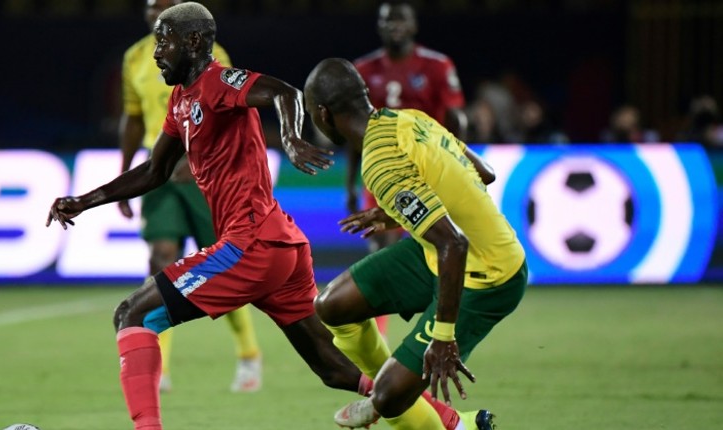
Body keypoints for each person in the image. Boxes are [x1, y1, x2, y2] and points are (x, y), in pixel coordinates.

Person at [46, 4, 379, 429]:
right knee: (334, 370)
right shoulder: (180, 101)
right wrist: (84, 200)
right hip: (277, 245)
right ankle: (448, 420)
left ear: (194, 41)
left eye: (165, 41)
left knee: (133, 314)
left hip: (252, 241)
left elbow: (285, 93)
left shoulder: (218, 80)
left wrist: (292, 138)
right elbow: (155, 170)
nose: (156, 51)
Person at [304, 58, 528, 430]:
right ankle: (393, 383)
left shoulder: (379, 162)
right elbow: (483, 174)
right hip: (437, 253)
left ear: (324, 115)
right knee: (332, 305)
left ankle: (448, 421)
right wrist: (395, 214)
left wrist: (443, 338)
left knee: (391, 399)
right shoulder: (408, 118)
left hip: (488, 274)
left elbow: (453, 244)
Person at [118, 0, 262, 394]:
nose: (154, 13)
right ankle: (159, 364)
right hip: (160, 171)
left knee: (221, 264)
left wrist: (200, 155)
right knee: (161, 256)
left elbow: (229, 106)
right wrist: (124, 171)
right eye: (150, 6)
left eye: (164, 6)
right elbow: (133, 119)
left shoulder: (213, 55)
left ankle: (248, 354)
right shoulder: (135, 58)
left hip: (205, 175)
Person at [348, 0, 468, 337]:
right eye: (387, 20)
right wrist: (350, 186)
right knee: (380, 250)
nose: (394, 26)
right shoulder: (364, 69)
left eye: (400, 20)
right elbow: (354, 135)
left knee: (437, 248)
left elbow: (456, 119)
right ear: (379, 26)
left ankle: (438, 332)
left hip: (428, 173)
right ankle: (381, 339)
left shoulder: (437, 66)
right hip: (382, 173)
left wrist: (458, 165)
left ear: (414, 27)